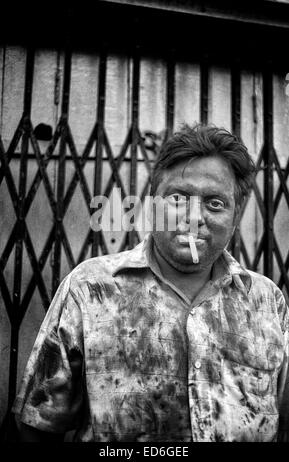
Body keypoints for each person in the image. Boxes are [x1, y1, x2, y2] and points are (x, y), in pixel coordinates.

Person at [13, 124, 289, 442]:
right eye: (177, 198)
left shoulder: (268, 301)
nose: (194, 217)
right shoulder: (89, 290)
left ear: (236, 215)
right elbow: (38, 426)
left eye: (215, 203)